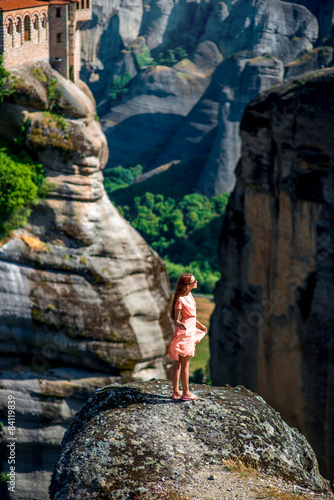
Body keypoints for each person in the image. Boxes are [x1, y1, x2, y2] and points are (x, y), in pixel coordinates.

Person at [168, 273, 207, 401]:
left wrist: (200, 325)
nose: (196, 282)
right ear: (187, 285)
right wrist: (180, 325)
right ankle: (186, 393)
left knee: (179, 363)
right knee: (184, 363)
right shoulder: (180, 299)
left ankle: (176, 392)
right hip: (185, 332)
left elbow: (191, 316)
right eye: (194, 281)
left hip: (190, 329)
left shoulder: (189, 295)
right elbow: (176, 319)